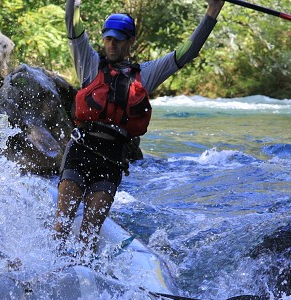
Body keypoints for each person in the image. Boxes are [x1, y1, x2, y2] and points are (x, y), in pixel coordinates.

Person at [55, 0, 225, 257]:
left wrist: (213, 11)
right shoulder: (88, 63)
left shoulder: (146, 74)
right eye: (108, 38)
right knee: (61, 225)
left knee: (89, 234)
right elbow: (73, 24)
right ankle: (48, 271)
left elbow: (186, 53)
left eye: (119, 40)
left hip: (111, 161)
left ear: (131, 41)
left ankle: (82, 278)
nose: (112, 44)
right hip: (81, 151)